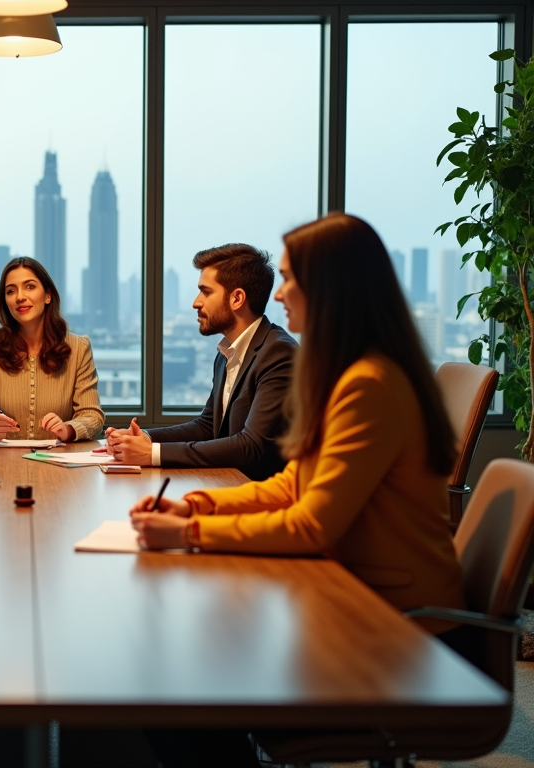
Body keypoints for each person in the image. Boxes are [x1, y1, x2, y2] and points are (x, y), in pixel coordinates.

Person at [130, 214, 468, 768]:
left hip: (400, 637)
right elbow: (294, 483)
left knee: (171, 691)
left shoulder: (369, 385)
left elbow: (311, 524)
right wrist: (194, 503)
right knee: (179, 670)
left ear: (330, 287)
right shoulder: (350, 372)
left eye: (290, 278)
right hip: (358, 605)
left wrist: (189, 532)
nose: (280, 293)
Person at [106, 244, 297, 481]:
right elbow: (208, 426)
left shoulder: (278, 353)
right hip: (227, 485)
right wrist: (145, 438)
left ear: (237, 298)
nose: (196, 302)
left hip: (262, 499)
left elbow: (252, 445)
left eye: (206, 292)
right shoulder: (226, 352)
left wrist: (152, 453)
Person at [0, 257, 104, 442]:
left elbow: (92, 416)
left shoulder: (79, 348)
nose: (19, 297)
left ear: (48, 295)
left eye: (30, 287)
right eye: (11, 291)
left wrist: (69, 429)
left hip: (57, 464)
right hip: (0, 464)